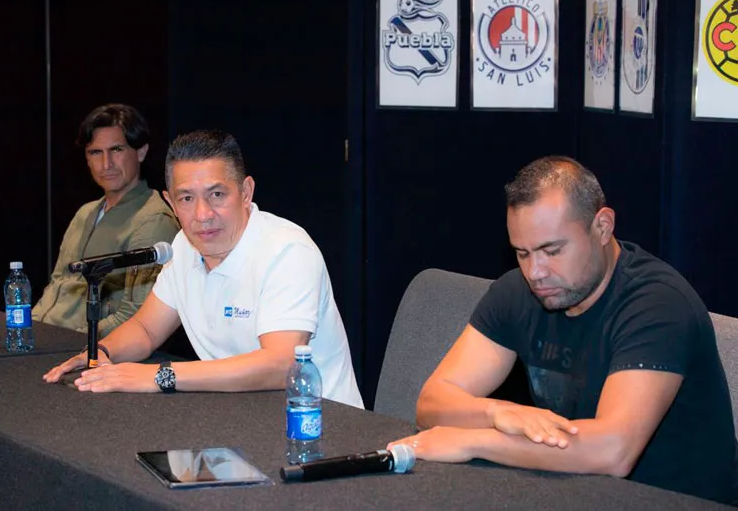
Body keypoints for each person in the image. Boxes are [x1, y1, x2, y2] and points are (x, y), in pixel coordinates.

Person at [389, 156, 737, 504]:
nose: (535, 272)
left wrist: (473, 439)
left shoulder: (657, 305)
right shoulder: (518, 293)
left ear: (602, 227)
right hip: (574, 492)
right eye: (522, 253)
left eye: (551, 250)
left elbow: (612, 451)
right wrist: (497, 413)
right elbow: (433, 401)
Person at [43, 130, 364, 408]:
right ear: (170, 202)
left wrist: (161, 375)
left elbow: (281, 364)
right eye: (186, 198)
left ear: (246, 191)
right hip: (238, 413)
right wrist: (101, 352)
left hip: (318, 424)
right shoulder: (184, 246)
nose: (202, 214)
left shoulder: (287, 251)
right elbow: (146, 330)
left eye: (217, 194)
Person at [32, 104, 180, 336]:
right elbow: (58, 284)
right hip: (48, 337)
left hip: (88, 351)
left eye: (116, 150)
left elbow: (136, 317)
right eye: (95, 152)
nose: (106, 164)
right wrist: (30, 326)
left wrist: (74, 341)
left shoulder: (154, 220)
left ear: (141, 152)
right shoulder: (86, 212)